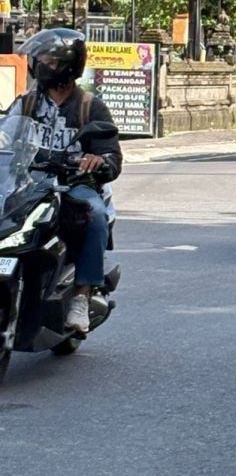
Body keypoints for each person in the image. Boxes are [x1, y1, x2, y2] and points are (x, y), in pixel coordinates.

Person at [12, 28, 122, 334]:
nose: (40, 64)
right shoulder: (27, 103)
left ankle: (82, 295)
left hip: (73, 183)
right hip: (28, 182)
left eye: (48, 59)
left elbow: (111, 155)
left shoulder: (90, 106)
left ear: (67, 65)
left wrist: (97, 162)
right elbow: (7, 133)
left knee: (95, 214)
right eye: (40, 58)